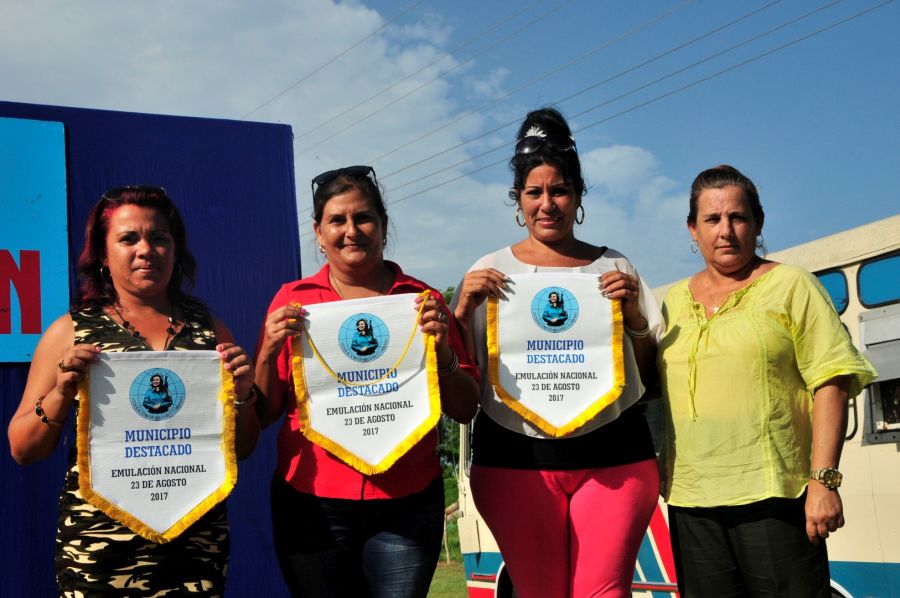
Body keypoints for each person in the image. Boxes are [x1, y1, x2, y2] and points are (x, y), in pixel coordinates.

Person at [451, 107, 663, 598]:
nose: (547, 204)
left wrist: (633, 317)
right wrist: (461, 310)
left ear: (579, 195)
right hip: (512, 459)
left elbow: (650, 380)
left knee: (603, 594)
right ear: (518, 199)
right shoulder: (487, 271)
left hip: (616, 456)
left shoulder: (615, 266)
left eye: (560, 190)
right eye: (534, 192)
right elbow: (461, 382)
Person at [7, 185, 260, 596]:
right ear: (103, 256)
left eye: (158, 238)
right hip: (100, 555)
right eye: (129, 238)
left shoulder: (208, 329)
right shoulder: (71, 330)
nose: (146, 249)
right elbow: (22, 448)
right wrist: (60, 392)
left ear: (175, 250)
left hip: (194, 555)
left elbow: (242, 448)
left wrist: (244, 394)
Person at [254, 165, 479, 598]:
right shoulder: (293, 301)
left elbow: (465, 408)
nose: (351, 231)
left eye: (364, 218)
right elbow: (264, 414)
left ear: (383, 225)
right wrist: (266, 349)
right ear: (319, 233)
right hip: (313, 504)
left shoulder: (422, 301)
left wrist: (445, 350)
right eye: (337, 220)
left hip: (407, 503)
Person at [657, 165, 878, 597]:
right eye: (712, 219)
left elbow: (831, 379)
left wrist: (824, 481)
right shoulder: (673, 300)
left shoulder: (792, 285)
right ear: (692, 229)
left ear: (757, 223)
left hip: (776, 499)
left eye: (738, 217)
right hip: (691, 502)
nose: (726, 231)